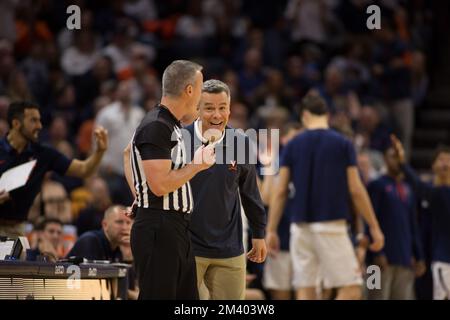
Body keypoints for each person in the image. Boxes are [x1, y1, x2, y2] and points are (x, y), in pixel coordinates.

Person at [266, 92, 384, 300]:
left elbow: (281, 191)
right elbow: (356, 189)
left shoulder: (293, 144)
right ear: (327, 115)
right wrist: (374, 226)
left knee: (306, 289)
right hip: (331, 225)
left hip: (299, 228)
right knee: (351, 288)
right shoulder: (342, 143)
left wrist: (271, 230)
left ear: (304, 116)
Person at [123, 60, 215, 300]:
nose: (201, 97)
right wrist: (197, 166)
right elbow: (160, 184)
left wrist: (139, 196)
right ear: (189, 90)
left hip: (173, 228)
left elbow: (127, 154)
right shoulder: (157, 125)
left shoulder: (167, 124)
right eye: (201, 87)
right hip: (159, 228)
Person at [184, 79, 267, 300]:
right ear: (197, 109)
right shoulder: (180, 141)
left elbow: (251, 193)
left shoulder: (240, 142)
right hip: (187, 247)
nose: (217, 115)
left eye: (222, 108)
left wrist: (259, 234)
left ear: (229, 109)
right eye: (209, 108)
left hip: (229, 247)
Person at [0, 101, 108, 238]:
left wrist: (99, 152)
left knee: (19, 258)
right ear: (16, 124)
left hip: (17, 229)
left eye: (39, 120)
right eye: (33, 120)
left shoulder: (43, 154)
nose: (39, 126)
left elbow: (84, 170)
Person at [391, 135, 450, 300]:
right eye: (441, 159)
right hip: (403, 255)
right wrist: (418, 254)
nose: (445, 164)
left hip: (431, 258)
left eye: (448, 160)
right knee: (376, 292)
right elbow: (413, 222)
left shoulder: (439, 192)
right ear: (433, 164)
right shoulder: (429, 192)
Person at [367, 146, 425, 300]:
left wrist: (418, 255)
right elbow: (369, 221)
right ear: (385, 159)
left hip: (404, 258)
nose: (397, 161)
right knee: (375, 296)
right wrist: (376, 253)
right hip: (377, 261)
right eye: (393, 156)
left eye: (400, 157)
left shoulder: (408, 188)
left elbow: (413, 223)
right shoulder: (376, 185)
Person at [260, 122, 301, 300]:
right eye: (295, 138)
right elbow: (266, 198)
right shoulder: (275, 162)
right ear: (284, 140)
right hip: (281, 240)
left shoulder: (311, 165)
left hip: (306, 241)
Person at [67, 205, 131, 262]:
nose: (125, 227)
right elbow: (90, 274)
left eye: (128, 223)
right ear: (105, 225)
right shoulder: (90, 241)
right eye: (119, 222)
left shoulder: (117, 248)